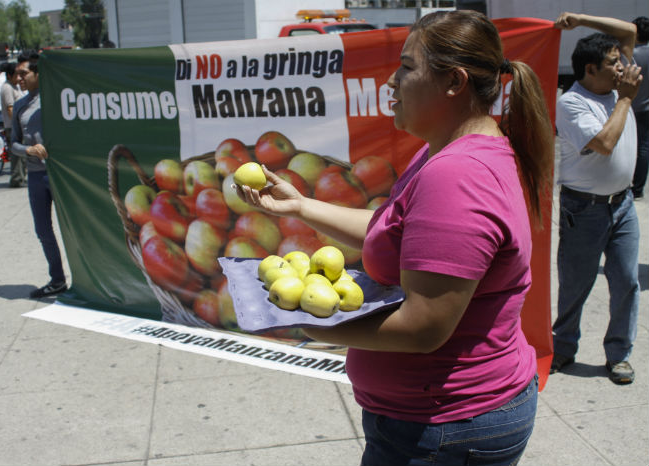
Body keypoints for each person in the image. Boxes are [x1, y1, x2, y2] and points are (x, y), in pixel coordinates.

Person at [236, 10, 553, 466]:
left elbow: (425, 326)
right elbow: (398, 230)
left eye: (407, 67)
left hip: (443, 430)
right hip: (435, 423)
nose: (391, 81)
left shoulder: (457, 174)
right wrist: (299, 205)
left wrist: (305, 323)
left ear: (453, 82)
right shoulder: (445, 152)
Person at [551, 13, 642, 385]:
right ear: (591, 70)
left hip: (622, 206)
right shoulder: (573, 103)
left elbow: (630, 31)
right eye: (613, 63)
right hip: (584, 209)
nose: (622, 67)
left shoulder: (613, 86)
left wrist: (581, 20)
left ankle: (618, 354)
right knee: (576, 285)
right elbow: (603, 144)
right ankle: (562, 348)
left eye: (621, 61)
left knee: (626, 282)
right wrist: (626, 100)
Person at [11, 51, 67, 299]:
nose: (18, 78)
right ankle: (57, 280)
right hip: (35, 177)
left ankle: (93, 280)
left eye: (24, 73)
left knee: (75, 229)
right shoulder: (21, 106)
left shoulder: (57, 100)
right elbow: (12, 143)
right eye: (17, 74)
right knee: (43, 230)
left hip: (61, 175)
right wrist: (28, 149)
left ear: (37, 73)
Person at [0, 61, 26, 188]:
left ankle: (21, 177)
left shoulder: (14, 86)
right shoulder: (7, 88)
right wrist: (18, 124)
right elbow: (10, 108)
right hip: (13, 127)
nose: (19, 78)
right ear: (9, 76)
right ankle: (16, 179)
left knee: (22, 156)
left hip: (18, 126)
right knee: (16, 156)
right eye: (16, 75)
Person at [631, 16, 648, 199]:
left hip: (631, 106)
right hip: (646, 108)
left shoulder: (631, 55)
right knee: (644, 147)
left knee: (632, 146)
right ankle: (638, 188)